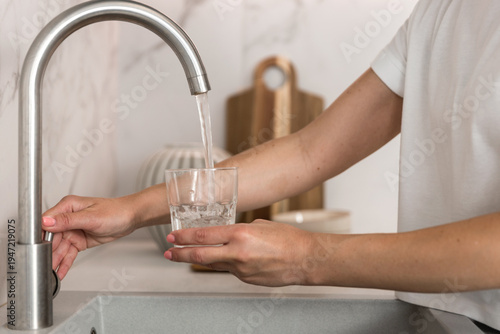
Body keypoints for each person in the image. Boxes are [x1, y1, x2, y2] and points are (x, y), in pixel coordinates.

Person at [42, 0, 500, 330]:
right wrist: (134, 210)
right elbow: (310, 151)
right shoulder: (445, 11)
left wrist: (306, 258)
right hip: (451, 318)